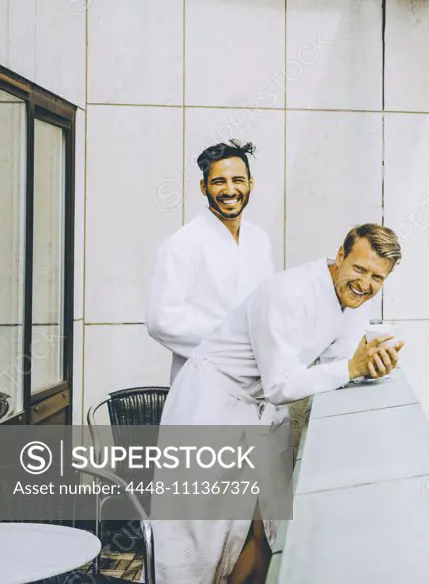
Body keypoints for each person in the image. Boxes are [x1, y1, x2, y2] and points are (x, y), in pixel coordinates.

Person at [153, 224, 405, 583]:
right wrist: (352, 367)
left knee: (264, 528)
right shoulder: (289, 293)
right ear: (340, 255)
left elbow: (344, 361)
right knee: (196, 540)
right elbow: (281, 385)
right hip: (209, 407)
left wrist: (373, 365)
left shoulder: (354, 304)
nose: (365, 284)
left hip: (256, 414)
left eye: (377, 277)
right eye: (359, 269)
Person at [146, 140, 274, 383]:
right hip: (202, 382)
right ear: (204, 187)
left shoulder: (260, 240)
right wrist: (237, 338)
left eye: (237, 180)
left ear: (250, 183)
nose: (229, 190)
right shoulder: (181, 244)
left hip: (255, 380)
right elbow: (161, 321)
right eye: (218, 181)